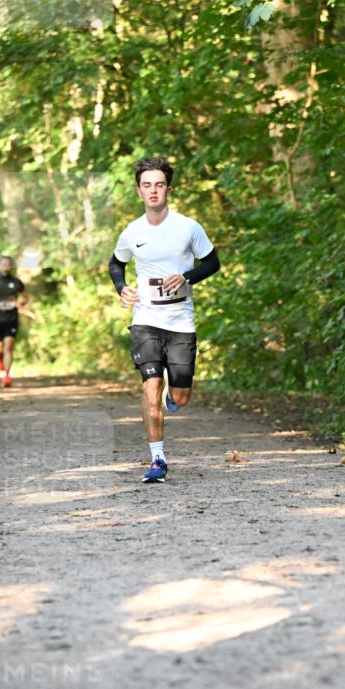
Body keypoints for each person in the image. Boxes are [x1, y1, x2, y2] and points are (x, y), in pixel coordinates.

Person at [109, 156, 220, 483]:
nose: (153, 191)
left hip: (181, 322)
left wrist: (187, 277)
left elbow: (212, 263)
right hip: (145, 319)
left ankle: (177, 394)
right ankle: (157, 458)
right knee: (150, 387)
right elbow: (116, 265)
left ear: (168, 189)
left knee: (181, 396)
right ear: (138, 192)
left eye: (159, 185)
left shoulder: (187, 226)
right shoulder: (132, 231)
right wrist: (121, 289)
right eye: (147, 186)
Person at [0, 255, 27, 389]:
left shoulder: (16, 282)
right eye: (3, 264)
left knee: (9, 346)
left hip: (11, 318)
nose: (6, 266)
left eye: (8, 264)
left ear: (11, 266)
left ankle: (6, 376)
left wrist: (19, 303)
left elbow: (25, 297)